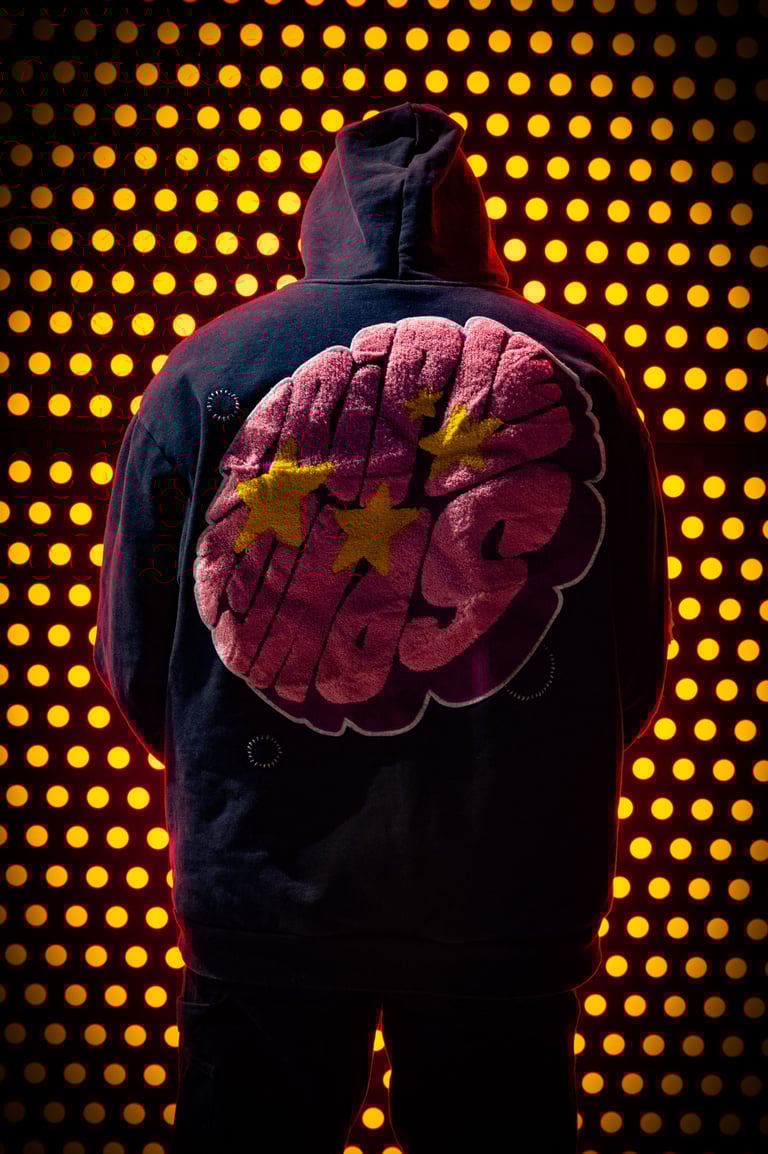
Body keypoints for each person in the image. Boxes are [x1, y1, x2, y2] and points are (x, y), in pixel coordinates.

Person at [93, 101, 674, 1153]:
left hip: (266, 881)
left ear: (322, 214)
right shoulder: (580, 371)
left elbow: (138, 655)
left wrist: (234, 766)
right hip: (506, 888)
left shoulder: (206, 369)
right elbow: (630, 659)